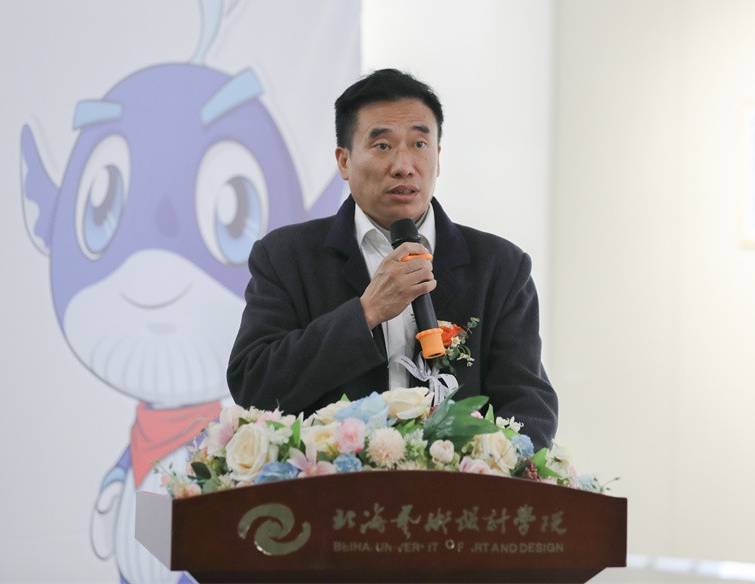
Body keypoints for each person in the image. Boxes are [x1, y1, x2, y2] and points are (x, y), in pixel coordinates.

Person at [227, 69, 558, 448]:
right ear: (344, 161)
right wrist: (364, 313)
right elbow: (254, 386)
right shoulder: (286, 256)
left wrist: (496, 464)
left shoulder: (500, 267)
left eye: (419, 144)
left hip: (454, 482)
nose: (403, 165)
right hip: (333, 479)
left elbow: (529, 406)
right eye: (382, 145)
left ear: (438, 157)